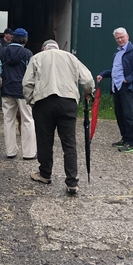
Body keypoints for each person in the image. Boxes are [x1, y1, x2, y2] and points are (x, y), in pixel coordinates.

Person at [23, 39, 94, 195]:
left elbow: (27, 83)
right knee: (69, 142)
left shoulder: (37, 58)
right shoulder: (71, 57)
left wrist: (31, 101)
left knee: (44, 140)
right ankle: (72, 182)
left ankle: (45, 174)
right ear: (57, 48)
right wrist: (88, 92)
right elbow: (88, 79)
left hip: (44, 102)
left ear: (44, 49)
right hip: (67, 102)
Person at [97, 27, 133, 153]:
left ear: (127, 36)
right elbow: (115, 71)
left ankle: (131, 143)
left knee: (128, 115)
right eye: (117, 38)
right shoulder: (117, 53)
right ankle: (124, 138)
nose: (120, 40)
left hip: (126, 87)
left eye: (122, 37)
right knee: (119, 114)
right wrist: (103, 74)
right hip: (116, 87)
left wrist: (127, 80)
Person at [0, 28, 36, 160]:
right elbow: (32, 73)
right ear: (25, 39)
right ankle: (29, 153)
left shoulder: (4, 51)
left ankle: (10, 151)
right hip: (23, 91)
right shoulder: (27, 53)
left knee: (8, 120)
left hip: (7, 89)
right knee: (27, 120)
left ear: (13, 38)